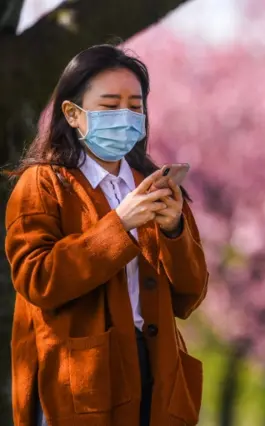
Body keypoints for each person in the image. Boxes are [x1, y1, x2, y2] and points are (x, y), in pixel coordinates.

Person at [5, 44, 208, 426]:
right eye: (110, 104)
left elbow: (189, 295)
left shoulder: (154, 185)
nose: (125, 116)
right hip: (79, 382)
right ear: (73, 114)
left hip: (155, 371)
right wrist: (119, 225)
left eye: (135, 106)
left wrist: (174, 230)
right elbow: (37, 279)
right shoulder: (44, 184)